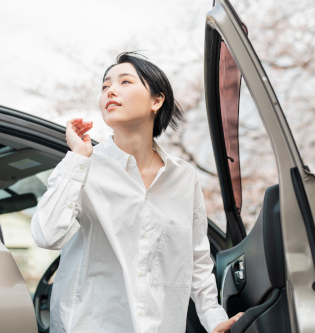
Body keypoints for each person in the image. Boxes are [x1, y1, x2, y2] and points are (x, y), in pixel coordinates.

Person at [31, 51, 243, 332]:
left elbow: (196, 260)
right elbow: (46, 235)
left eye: (125, 82)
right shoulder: (82, 166)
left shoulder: (183, 177)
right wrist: (78, 157)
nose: (111, 91)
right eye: (105, 86)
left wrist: (215, 319)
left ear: (157, 100)